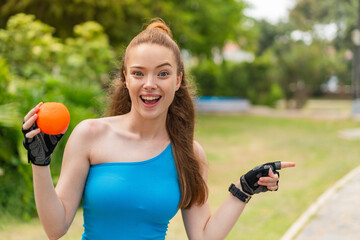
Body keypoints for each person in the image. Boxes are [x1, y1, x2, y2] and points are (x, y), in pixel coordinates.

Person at [22, 18, 295, 240]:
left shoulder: (189, 154)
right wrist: (40, 163)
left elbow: (203, 237)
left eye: (162, 73)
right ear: (125, 78)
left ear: (178, 80)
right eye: (139, 73)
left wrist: (243, 189)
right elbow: (55, 228)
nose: (149, 84)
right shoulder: (90, 135)